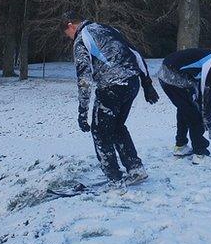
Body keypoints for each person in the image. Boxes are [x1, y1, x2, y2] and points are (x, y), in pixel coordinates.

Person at [64, 12, 159, 185]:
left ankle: (114, 177)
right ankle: (135, 168)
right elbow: (135, 53)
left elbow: (84, 79)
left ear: (71, 26)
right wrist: (146, 83)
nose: (69, 37)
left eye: (67, 33)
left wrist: (82, 112)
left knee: (100, 132)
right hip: (132, 84)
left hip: (111, 87)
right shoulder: (107, 29)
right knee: (116, 126)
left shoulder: (81, 39)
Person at [157, 44, 211, 164]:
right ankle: (200, 154)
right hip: (172, 76)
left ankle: (181, 146)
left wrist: (205, 114)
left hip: (169, 75)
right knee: (194, 114)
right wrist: (207, 118)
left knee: (185, 109)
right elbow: (208, 92)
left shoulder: (209, 56)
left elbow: (200, 88)